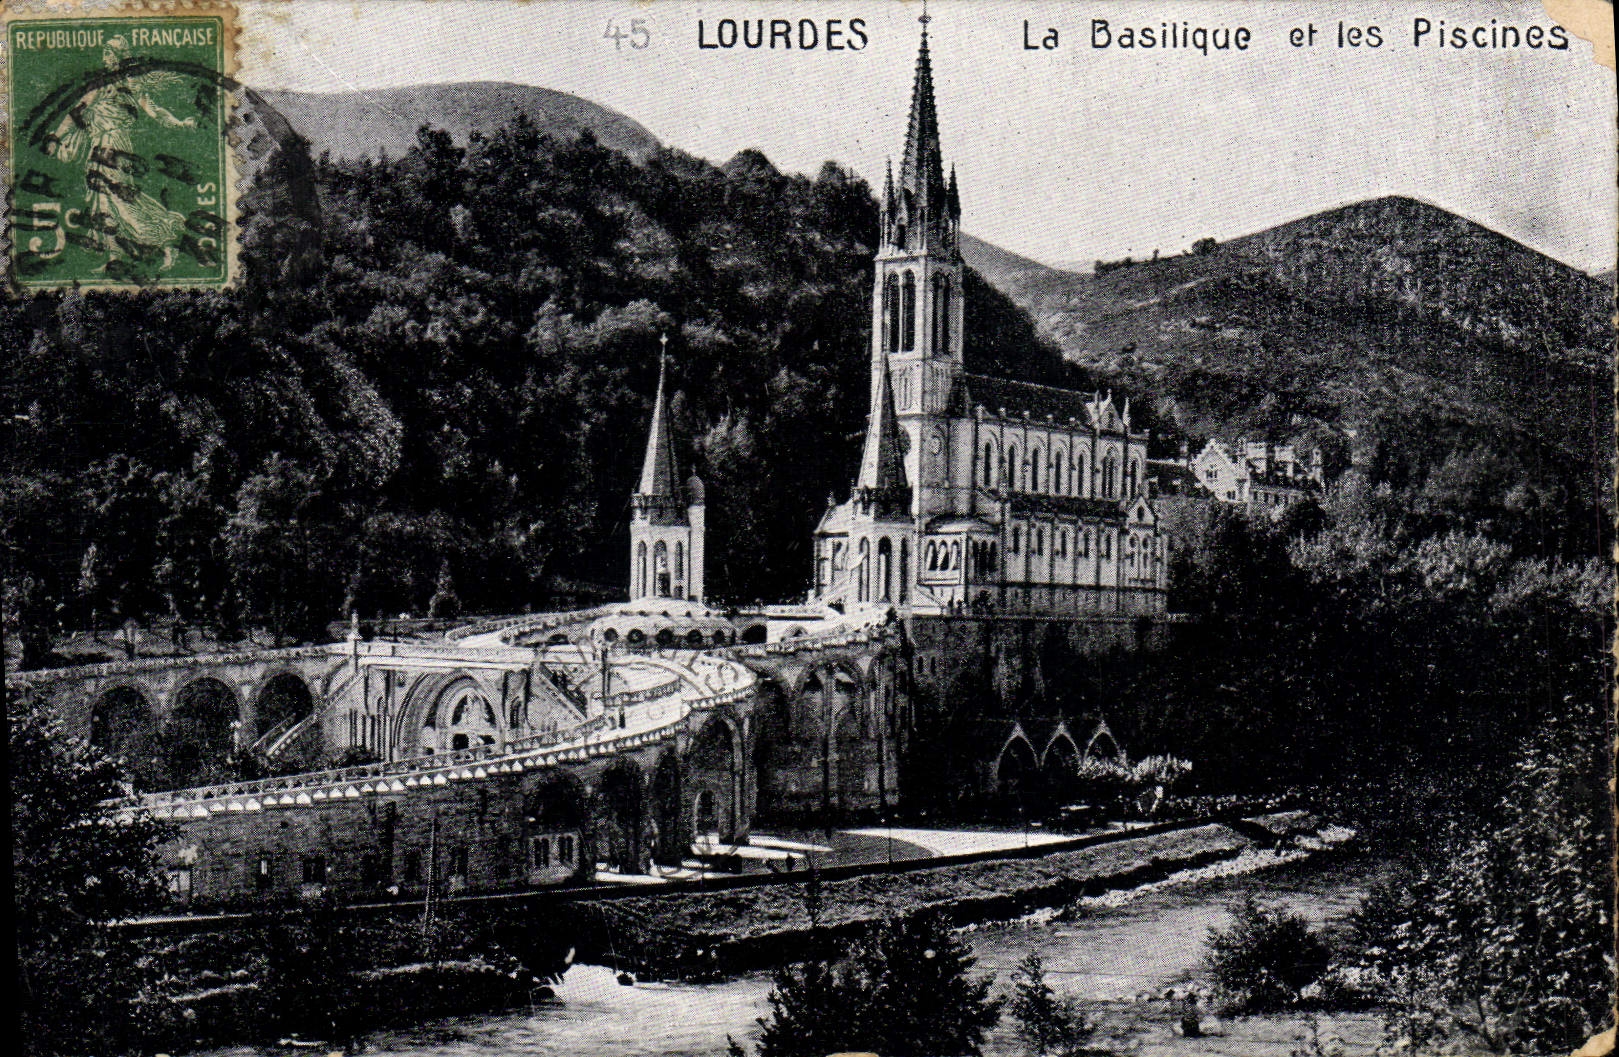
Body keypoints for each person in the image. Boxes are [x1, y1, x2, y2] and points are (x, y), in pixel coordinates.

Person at [49, 37, 197, 269]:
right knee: (103, 200)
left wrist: (179, 124)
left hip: (114, 144)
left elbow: (155, 111)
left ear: (119, 57)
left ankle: (165, 241)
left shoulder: (128, 85)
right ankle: (114, 257)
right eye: (105, 53)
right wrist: (55, 137)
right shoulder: (101, 85)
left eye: (109, 53)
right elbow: (76, 112)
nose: (105, 58)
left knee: (119, 199)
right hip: (99, 146)